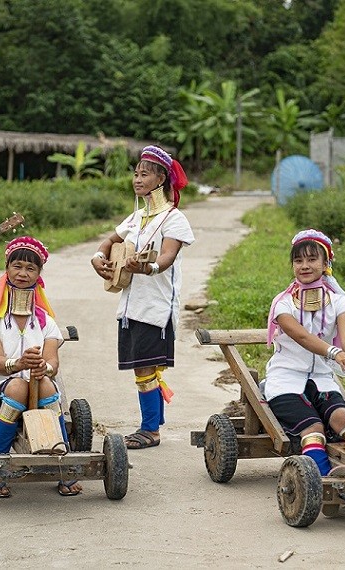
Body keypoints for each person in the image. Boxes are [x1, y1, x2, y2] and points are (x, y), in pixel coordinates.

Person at [90, 145, 195, 450]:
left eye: (145, 173)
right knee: (143, 367)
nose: (137, 178)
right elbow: (111, 240)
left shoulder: (174, 219)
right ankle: (153, 424)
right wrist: (99, 257)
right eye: (136, 173)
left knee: (145, 367)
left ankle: (150, 430)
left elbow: (167, 257)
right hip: (131, 305)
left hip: (156, 307)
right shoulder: (136, 217)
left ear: (162, 179)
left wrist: (146, 267)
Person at [0, 236, 80, 498]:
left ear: (39, 275)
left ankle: (63, 463)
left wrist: (44, 368)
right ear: (7, 269)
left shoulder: (46, 323)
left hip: (39, 389)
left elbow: (53, 362)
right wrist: (19, 364)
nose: (23, 273)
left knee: (43, 383)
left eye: (30, 268)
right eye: (17, 266)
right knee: (19, 385)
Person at [264, 229, 345, 475]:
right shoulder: (283, 303)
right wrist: (336, 354)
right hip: (285, 382)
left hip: (322, 380)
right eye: (298, 260)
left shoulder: (338, 301)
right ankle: (323, 483)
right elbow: (302, 337)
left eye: (312, 259)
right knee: (313, 428)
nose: (305, 265)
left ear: (326, 264)